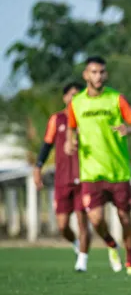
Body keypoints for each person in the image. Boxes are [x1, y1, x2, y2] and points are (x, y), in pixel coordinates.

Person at [65, 56, 131, 275]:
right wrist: (70, 141)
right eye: (94, 72)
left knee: (125, 218)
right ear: (86, 75)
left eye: (101, 72)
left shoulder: (116, 99)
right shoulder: (76, 103)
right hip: (91, 173)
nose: (98, 76)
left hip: (118, 171)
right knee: (96, 220)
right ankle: (111, 243)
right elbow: (71, 127)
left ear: (105, 74)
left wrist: (128, 129)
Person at [34, 82, 93, 271]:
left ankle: (82, 261)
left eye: (79, 95)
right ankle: (76, 243)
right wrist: (38, 168)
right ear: (65, 97)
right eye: (72, 95)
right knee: (62, 225)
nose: (75, 98)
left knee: (82, 221)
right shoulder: (57, 119)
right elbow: (47, 145)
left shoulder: (87, 118)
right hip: (62, 180)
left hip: (84, 178)